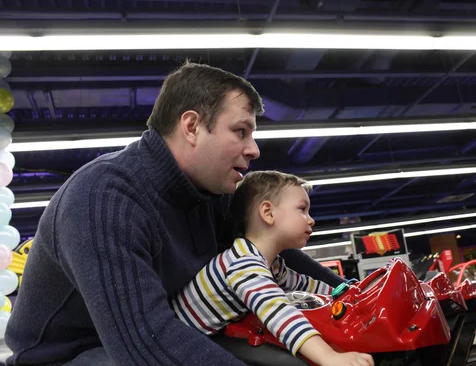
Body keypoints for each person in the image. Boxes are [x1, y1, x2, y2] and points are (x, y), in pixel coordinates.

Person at [5, 63, 344, 366]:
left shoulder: (214, 196)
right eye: (241, 131)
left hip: (161, 331)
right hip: (77, 353)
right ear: (192, 126)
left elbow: (268, 249)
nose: (254, 149)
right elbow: (143, 342)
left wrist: (349, 291)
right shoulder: (103, 198)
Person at [174, 171, 374, 366]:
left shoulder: (273, 265)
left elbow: (308, 286)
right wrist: (329, 357)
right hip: (180, 348)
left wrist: (355, 295)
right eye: (302, 209)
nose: (311, 219)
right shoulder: (243, 264)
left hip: (214, 337)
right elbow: (279, 313)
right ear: (268, 213)